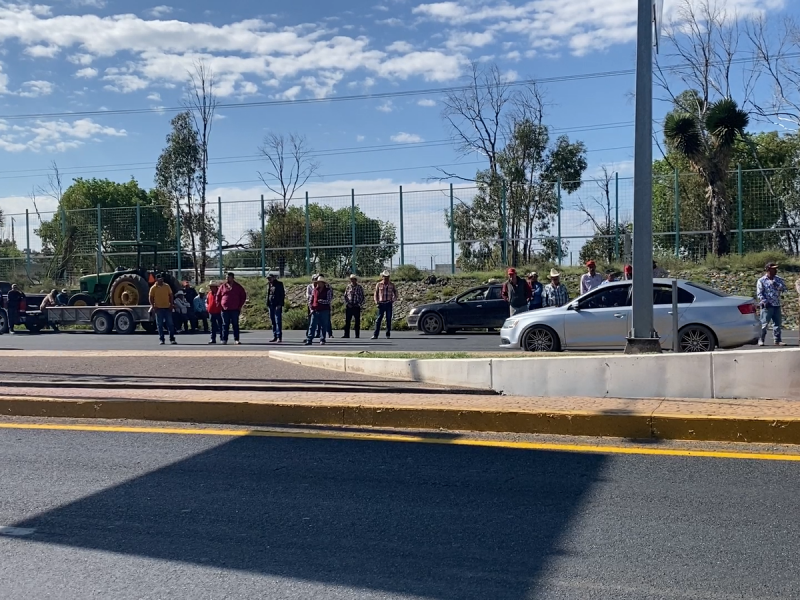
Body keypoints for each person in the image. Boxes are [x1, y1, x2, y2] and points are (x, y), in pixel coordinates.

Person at [757, 262, 787, 346]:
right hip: (767, 305)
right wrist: (765, 301)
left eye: (776, 269)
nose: (775, 270)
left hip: (776, 304)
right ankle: (761, 339)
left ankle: (777, 340)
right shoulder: (762, 280)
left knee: (777, 324)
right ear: (768, 269)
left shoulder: (778, 279)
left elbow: (784, 288)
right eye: (773, 269)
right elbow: (759, 293)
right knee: (764, 324)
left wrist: (776, 284)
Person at [216, 271, 247, 345]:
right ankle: (224, 339)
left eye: (228, 277)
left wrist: (239, 306)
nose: (227, 278)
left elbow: (243, 296)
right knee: (225, 324)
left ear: (232, 278)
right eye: (226, 277)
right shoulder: (223, 286)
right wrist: (219, 305)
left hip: (235, 309)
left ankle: (236, 339)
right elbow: (218, 296)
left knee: (235, 324)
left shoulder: (238, 286)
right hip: (224, 309)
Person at [149, 273, 176, 345]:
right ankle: (162, 339)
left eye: (162, 279)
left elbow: (171, 295)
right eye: (159, 279)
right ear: (156, 280)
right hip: (158, 309)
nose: (161, 280)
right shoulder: (153, 288)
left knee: (170, 324)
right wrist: (153, 306)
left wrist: (171, 304)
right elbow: (151, 297)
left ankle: (172, 339)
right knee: (160, 325)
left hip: (167, 307)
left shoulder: (166, 286)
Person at [305, 275, 333, 345]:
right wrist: (311, 308)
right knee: (312, 325)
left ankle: (322, 339)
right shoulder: (314, 290)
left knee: (323, 326)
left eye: (320, 282)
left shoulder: (328, 290)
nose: (318, 284)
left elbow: (329, 300)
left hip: (324, 310)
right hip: (315, 310)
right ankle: (309, 339)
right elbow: (311, 299)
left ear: (323, 283)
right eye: (318, 282)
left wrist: (321, 301)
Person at [372, 270, 398, 339]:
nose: (386, 278)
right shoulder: (379, 284)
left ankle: (388, 333)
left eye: (387, 277)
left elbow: (396, 293)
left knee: (388, 319)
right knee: (378, 319)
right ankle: (375, 334)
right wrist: (376, 301)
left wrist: (393, 300)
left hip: (388, 303)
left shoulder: (392, 284)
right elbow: (376, 294)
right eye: (385, 277)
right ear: (382, 277)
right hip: (381, 303)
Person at [343, 274, 365, 338]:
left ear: (356, 280)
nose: (352, 280)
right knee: (347, 321)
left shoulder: (359, 287)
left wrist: (359, 304)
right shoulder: (348, 287)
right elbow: (345, 296)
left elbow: (362, 297)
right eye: (351, 279)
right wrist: (347, 303)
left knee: (357, 321)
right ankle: (346, 334)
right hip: (349, 306)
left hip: (356, 306)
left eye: (353, 279)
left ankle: (357, 335)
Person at [266, 273, 285, 343]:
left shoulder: (279, 284)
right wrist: (267, 303)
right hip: (271, 305)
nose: (269, 279)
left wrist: (280, 304)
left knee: (278, 321)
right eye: (268, 278)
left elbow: (282, 294)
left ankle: (279, 337)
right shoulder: (269, 285)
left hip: (277, 305)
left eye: (270, 278)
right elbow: (268, 294)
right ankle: (275, 336)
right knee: (273, 321)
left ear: (273, 278)